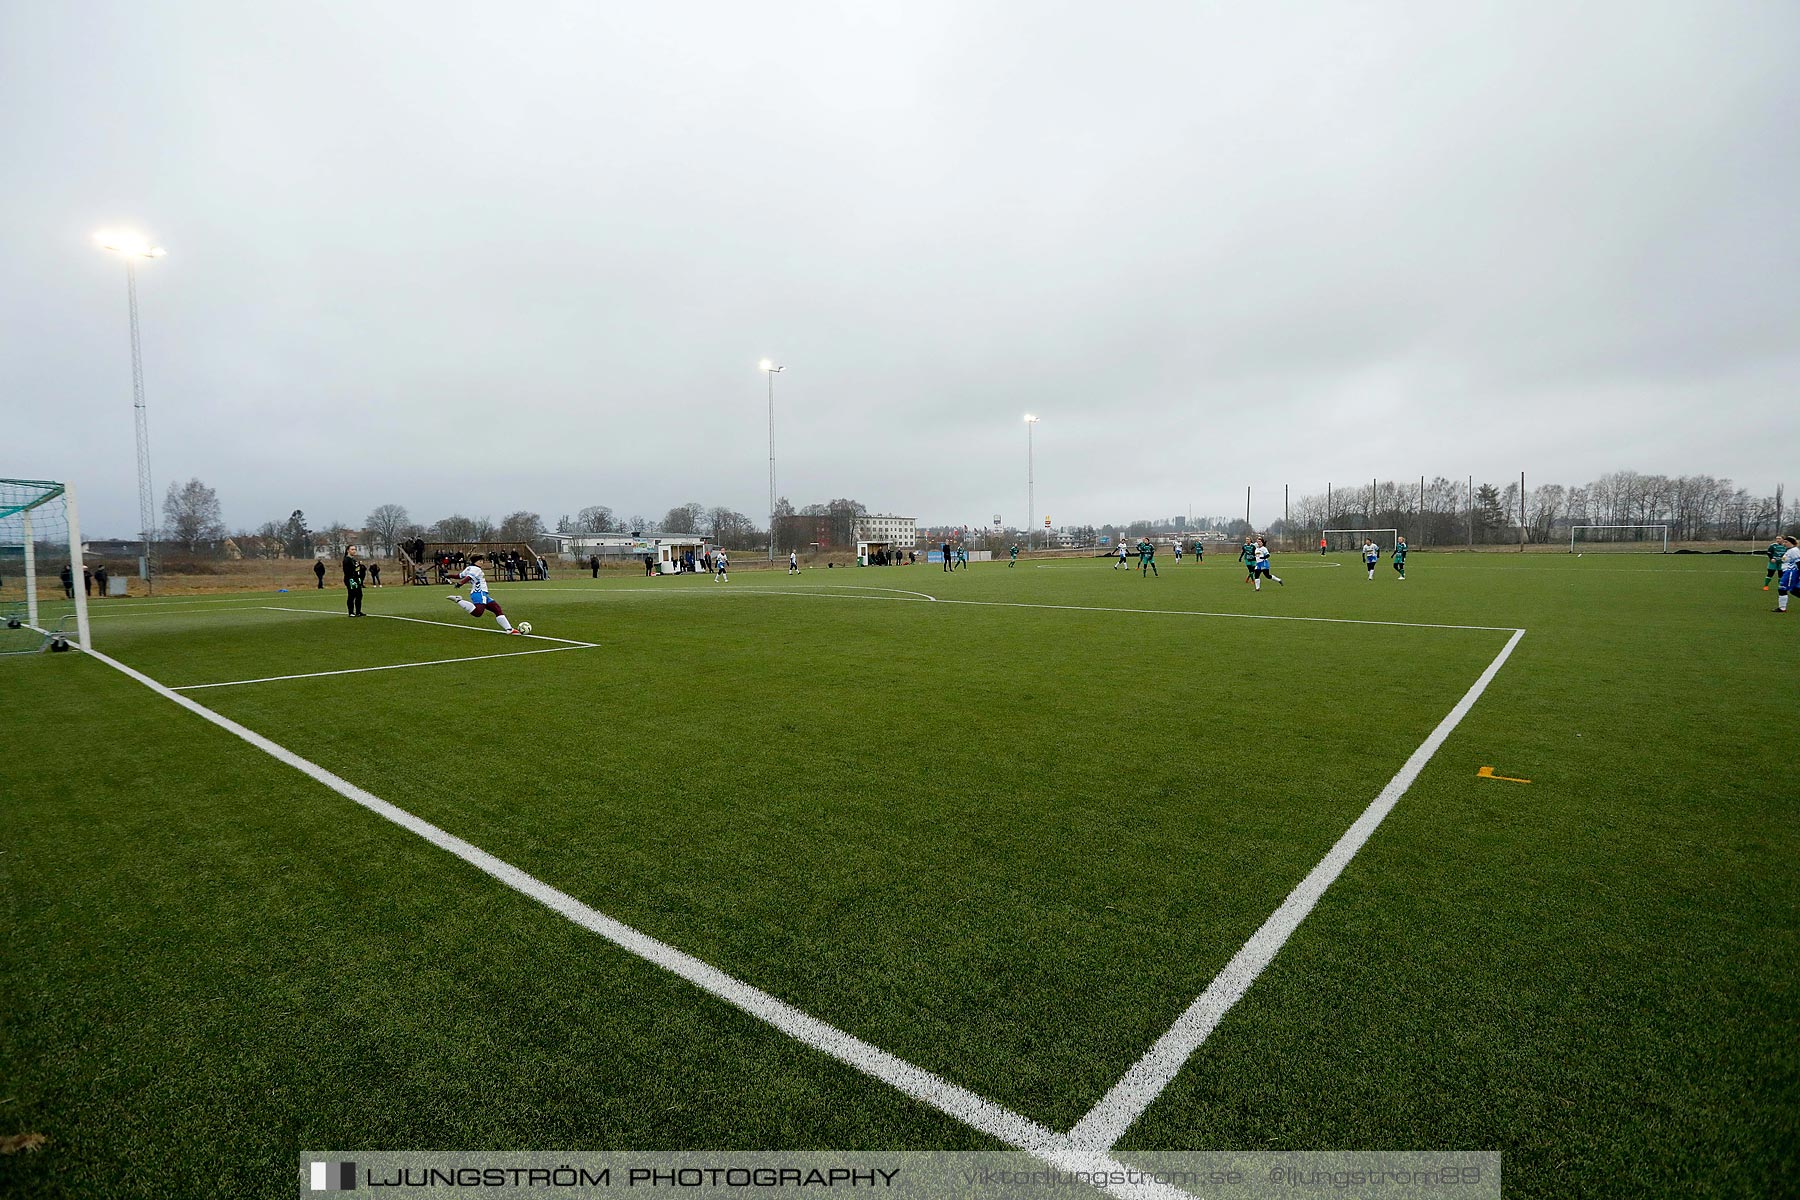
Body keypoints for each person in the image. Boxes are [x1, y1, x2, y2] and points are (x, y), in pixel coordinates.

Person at [447, 554, 523, 633]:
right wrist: (461, 583)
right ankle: (459, 600)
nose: (482, 562)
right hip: (479, 593)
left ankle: (509, 629)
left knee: (497, 609)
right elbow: (469, 577)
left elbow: (459, 575)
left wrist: (448, 575)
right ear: (475, 562)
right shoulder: (476, 569)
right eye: (480, 561)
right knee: (478, 613)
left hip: (482, 594)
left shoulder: (469, 568)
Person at [1775, 535, 1800, 612]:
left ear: (1792, 543)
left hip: (1791, 572)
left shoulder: (1794, 550)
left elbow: (1798, 562)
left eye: (1786, 542)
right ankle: (1782, 608)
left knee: (1782, 588)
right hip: (1788, 572)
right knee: (1794, 590)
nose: (1784, 543)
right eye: (1784, 542)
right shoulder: (1789, 550)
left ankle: (1782, 608)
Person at [342, 545, 365, 617]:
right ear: (348, 550)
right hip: (350, 579)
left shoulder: (353, 560)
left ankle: (358, 611)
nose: (354, 551)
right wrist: (356, 567)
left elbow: (359, 569)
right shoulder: (346, 560)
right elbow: (348, 571)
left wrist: (360, 566)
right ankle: (351, 612)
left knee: (359, 595)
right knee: (352, 595)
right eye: (352, 549)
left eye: (355, 549)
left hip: (356, 579)